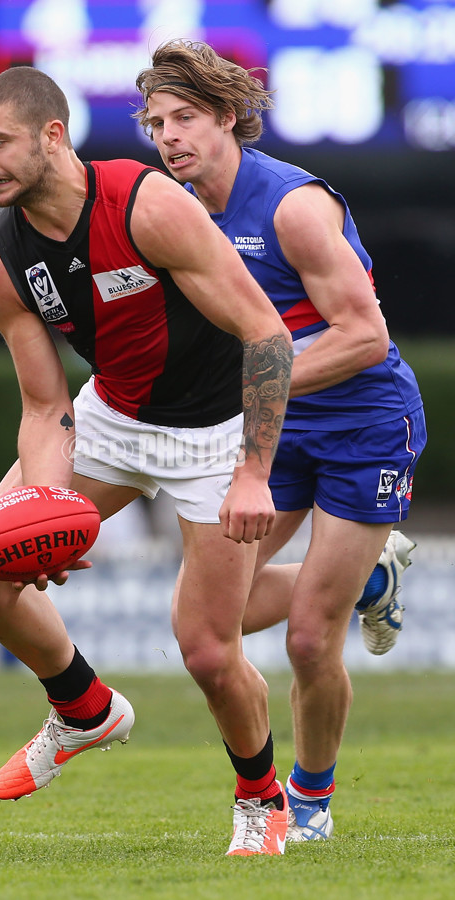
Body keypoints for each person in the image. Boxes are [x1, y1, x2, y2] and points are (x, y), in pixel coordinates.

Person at [0, 65, 295, 857]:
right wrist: (47, 510)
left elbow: (265, 334)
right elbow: (44, 408)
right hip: (114, 418)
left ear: (52, 136)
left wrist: (251, 471)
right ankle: (84, 709)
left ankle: (259, 796)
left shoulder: (148, 205)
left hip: (212, 436)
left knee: (208, 651)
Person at [134, 39, 426, 843]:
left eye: (186, 118)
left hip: (363, 422)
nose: (169, 138)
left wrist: (252, 387)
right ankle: (372, 581)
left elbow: (365, 336)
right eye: (157, 124)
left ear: (229, 117)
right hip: (274, 425)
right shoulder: (175, 209)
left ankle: (312, 803)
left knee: (305, 638)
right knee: (205, 622)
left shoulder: (292, 205)